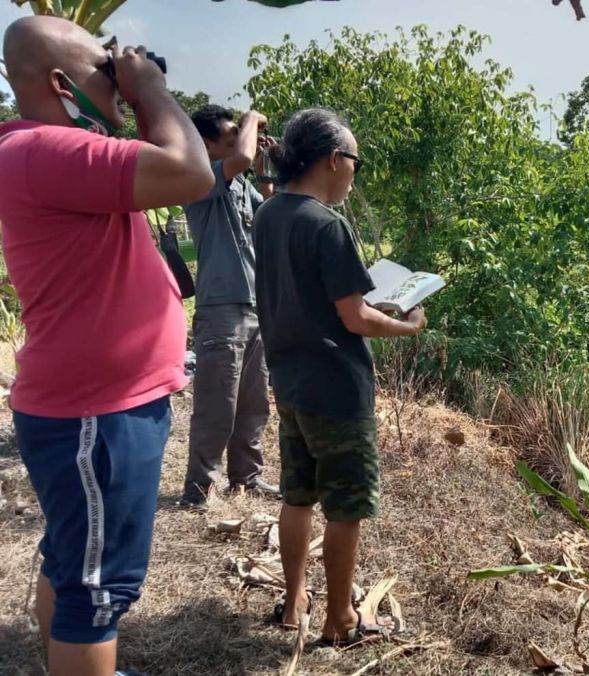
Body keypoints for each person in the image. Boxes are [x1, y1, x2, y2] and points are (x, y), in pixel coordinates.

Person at [0, 16, 213, 676]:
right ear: (61, 84)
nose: (118, 76)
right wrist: (148, 86)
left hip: (94, 407)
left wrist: (132, 96)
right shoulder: (47, 152)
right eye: (105, 68)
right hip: (98, 412)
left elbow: (165, 161)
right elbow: (190, 170)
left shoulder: (42, 151)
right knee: (97, 588)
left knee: (73, 563)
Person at [253, 108, 426, 644]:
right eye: (355, 160)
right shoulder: (326, 224)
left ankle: (293, 600)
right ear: (333, 159)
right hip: (335, 385)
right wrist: (408, 324)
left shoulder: (269, 213)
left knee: (297, 494)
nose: (355, 171)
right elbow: (355, 316)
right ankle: (340, 619)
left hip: (290, 382)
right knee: (346, 506)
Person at [177, 104, 278, 509]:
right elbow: (239, 158)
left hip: (255, 304)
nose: (240, 140)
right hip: (221, 308)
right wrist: (252, 119)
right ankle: (199, 488)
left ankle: (247, 476)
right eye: (230, 134)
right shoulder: (198, 178)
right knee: (218, 402)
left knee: (254, 401)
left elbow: (269, 214)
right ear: (205, 143)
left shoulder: (239, 186)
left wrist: (266, 169)